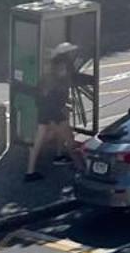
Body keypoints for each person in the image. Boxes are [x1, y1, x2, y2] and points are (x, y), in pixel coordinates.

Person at [24, 45, 88, 182]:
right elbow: (59, 99)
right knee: (70, 141)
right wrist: (61, 110)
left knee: (39, 141)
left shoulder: (46, 78)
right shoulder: (60, 80)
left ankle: (30, 172)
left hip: (44, 112)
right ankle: (82, 169)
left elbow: (39, 95)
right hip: (56, 114)